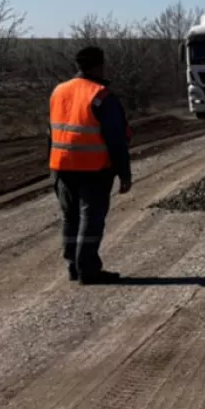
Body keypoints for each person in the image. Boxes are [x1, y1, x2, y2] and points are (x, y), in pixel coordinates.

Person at [48, 46, 133, 284]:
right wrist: (124, 173)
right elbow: (116, 138)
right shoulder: (101, 96)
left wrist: (52, 167)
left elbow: (51, 133)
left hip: (61, 166)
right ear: (99, 65)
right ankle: (88, 270)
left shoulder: (59, 91)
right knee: (90, 218)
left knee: (70, 217)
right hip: (93, 169)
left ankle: (74, 266)